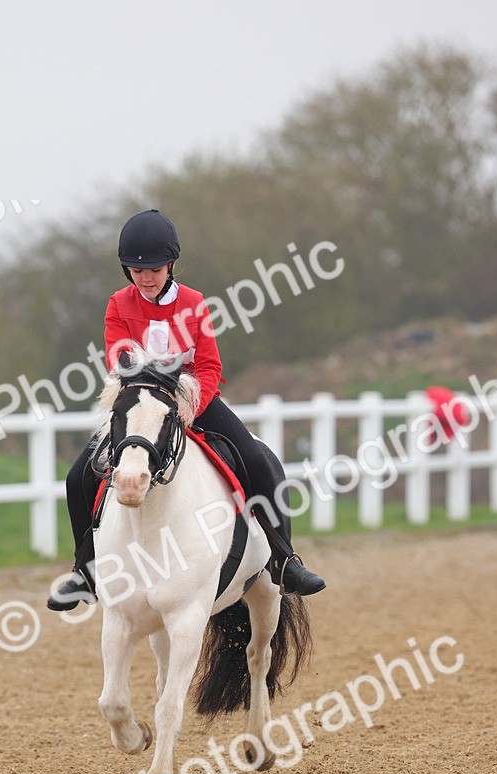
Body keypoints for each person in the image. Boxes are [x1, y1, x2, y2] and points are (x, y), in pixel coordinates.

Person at [47, 209, 326, 611]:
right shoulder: (117, 305)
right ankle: (84, 571)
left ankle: (284, 560)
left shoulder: (194, 303)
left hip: (193, 400)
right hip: (141, 405)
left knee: (255, 458)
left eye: (155, 269)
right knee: (78, 475)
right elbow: (119, 358)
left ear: (171, 265)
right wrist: (147, 392)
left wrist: (188, 405)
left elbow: (210, 365)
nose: (146, 277)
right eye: (136, 269)